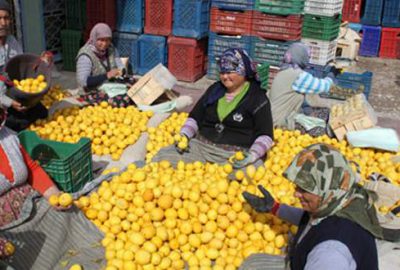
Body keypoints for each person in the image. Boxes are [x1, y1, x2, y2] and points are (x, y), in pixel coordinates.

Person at [241, 143, 385, 270]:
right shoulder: (343, 197)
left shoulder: (329, 253)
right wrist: (275, 208)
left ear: (326, 189)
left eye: (304, 189)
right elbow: (313, 222)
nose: (296, 194)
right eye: (297, 186)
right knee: (252, 263)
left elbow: (325, 236)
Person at [0, 106, 105, 269]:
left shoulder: (8, 137)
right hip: (9, 231)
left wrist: (53, 194)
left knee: (71, 219)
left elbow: (32, 168)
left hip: (33, 205)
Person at [153, 48, 274, 168]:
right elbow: (195, 118)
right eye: (222, 72)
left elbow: (265, 135)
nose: (225, 77)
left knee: (252, 171)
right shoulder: (214, 90)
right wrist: (184, 135)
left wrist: (252, 155)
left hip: (233, 154)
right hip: (201, 149)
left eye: (230, 72)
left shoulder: (257, 98)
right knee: (162, 156)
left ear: (243, 72)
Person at [268, 43, 338, 130]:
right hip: (278, 123)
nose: (308, 60)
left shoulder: (284, 70)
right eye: (307, 57)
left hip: (270, 118)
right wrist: (331, 75)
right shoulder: (297, 75)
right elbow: (322, 87)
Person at [76, 23, 133, 107]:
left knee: (134, 85)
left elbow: (119, 63)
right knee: (122, 100)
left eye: (108, 40)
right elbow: (83, 81)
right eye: (101, 40)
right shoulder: (85, 56)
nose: (105, 43)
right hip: (91, 92)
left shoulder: (111, 48)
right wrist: (107, 75)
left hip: (108, 86)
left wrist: (122, 70)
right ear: (94, 38)